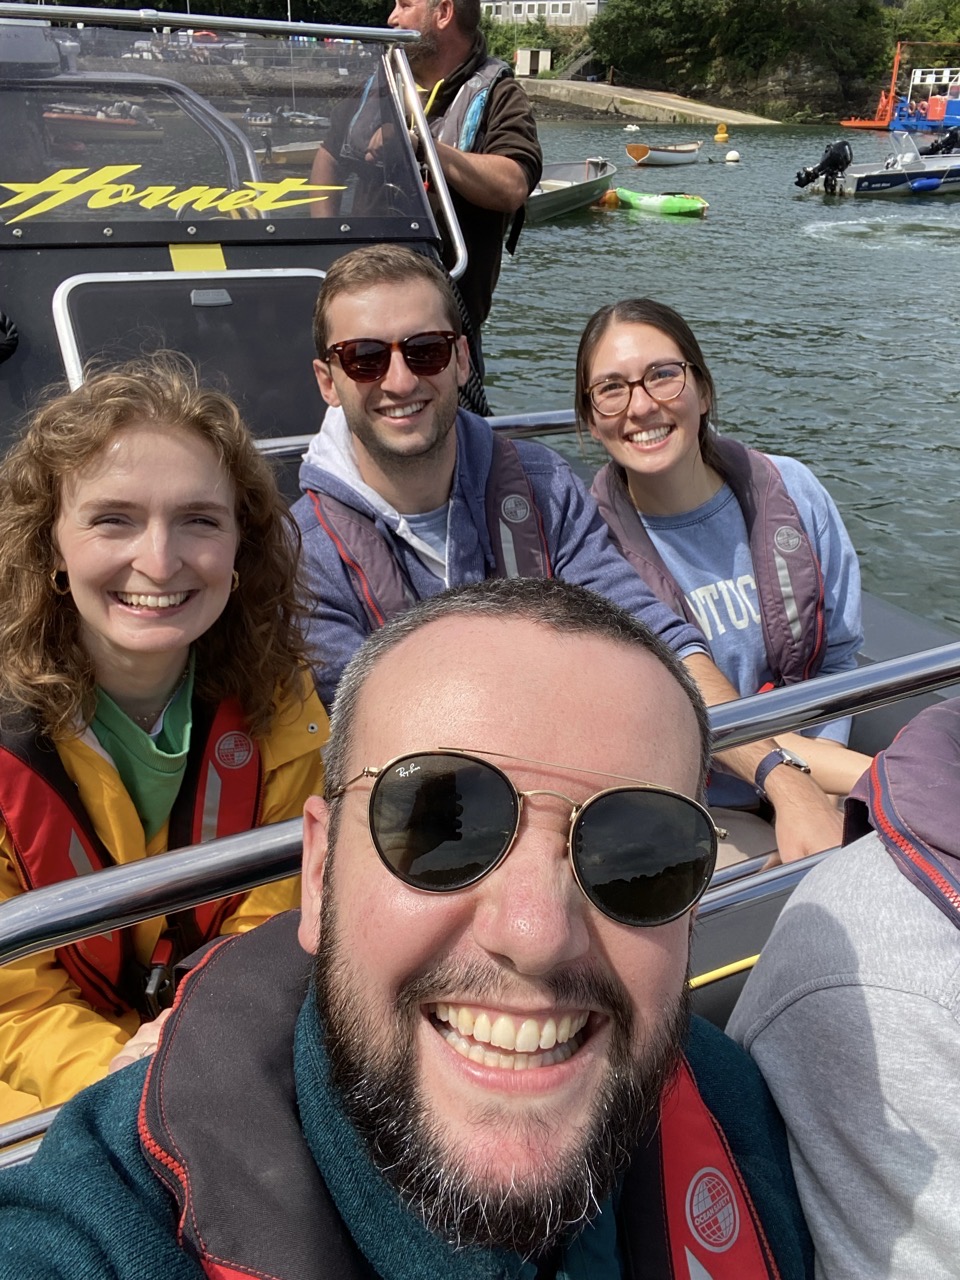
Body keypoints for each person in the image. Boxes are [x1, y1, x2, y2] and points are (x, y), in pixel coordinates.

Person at [0, 578, 815, 1278]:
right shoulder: (107, 1220)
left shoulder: (739, 1112)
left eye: (641, 851)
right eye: (441, 828)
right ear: (318, 876)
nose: (536, 930)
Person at [296, 245, 846, 863]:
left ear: (460, 360)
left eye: (425, 350)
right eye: (366, 359)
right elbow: (376, 753)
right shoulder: (307, 557)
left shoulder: (542, 486)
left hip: (591, 813)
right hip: (436, 848)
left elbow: (656, 640)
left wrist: (782, 775)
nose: (399, 380)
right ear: (329, 381)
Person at [0, 356, 328, 1122]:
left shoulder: (281, 708)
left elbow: (274, 929)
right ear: (51, 545)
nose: (159, 559)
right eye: (113, 518)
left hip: (214, 1054)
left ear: (240, 550)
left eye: (199, 521)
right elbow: (10, 1003)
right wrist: (117, 1069)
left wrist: (197, 1038)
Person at [577, 298, 870, 861]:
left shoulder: (793, 493)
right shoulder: (590, 548)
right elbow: (661, 716)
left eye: (663, 375)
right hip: (689, 805)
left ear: (703, 391)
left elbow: (836, 660)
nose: (640, 406)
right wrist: (838, 778)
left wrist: (822, 785)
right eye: (611, 388)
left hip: (813, 768)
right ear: (591, 420)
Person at [728, 697, 960, 1278]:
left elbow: (832, 676)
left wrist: (830, 781)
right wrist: (791, 778)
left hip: (806, 768)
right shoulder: (906, 974)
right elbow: (680, 673)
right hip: (725, 785)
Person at [309, 0, 542, 350]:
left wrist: (421, 147)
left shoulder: (499, 94)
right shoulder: (378, 82)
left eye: (404, 5)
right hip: (362, 309)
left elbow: (512, 185)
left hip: (445, 322)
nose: (391, 18)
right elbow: (328, 156)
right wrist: (327, 247)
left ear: (443, 12)